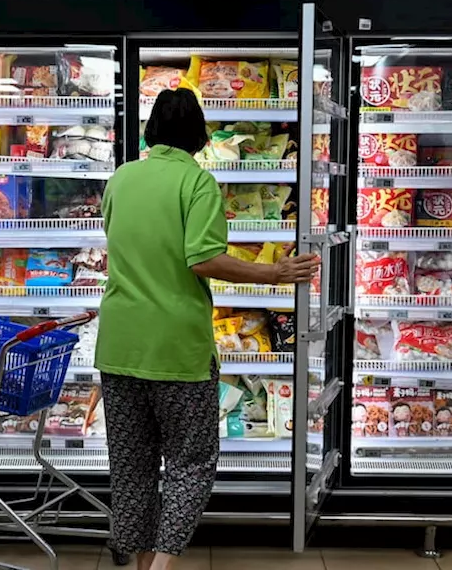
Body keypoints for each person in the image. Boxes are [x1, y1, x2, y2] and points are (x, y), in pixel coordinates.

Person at [94, 88, 321, 570]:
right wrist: (273, 274)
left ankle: (140, 564)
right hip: (176, 349)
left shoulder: (120, 178)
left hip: (119, 345)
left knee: (132, 469)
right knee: (190, 464)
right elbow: (203, 259)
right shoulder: (196, 183)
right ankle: (161, 568)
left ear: (150, 132)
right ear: (198, 136)